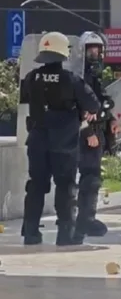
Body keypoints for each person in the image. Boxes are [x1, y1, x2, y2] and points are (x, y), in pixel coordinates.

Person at [21, 32, 100, 246]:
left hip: (37, 141)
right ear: (63, 54)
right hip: (63, 143)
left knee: (36, 185)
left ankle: (30, 233)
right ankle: (65, 235)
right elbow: (93, 104)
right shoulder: (71, 79)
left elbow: (25, 97)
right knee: (65, 186)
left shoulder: (31, 77)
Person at [75, 32, 120, 238]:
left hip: (96, 131)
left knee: (92, 177)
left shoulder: (93, 76)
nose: (95, 53)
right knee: (90, 177)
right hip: (87, 135)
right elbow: (77, 107)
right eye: (91, 49)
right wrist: (88, 132)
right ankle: (85, 219)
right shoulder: (79, 76)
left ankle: (83, 218)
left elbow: (100, 102)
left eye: (98, 49)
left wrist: (111, 120)